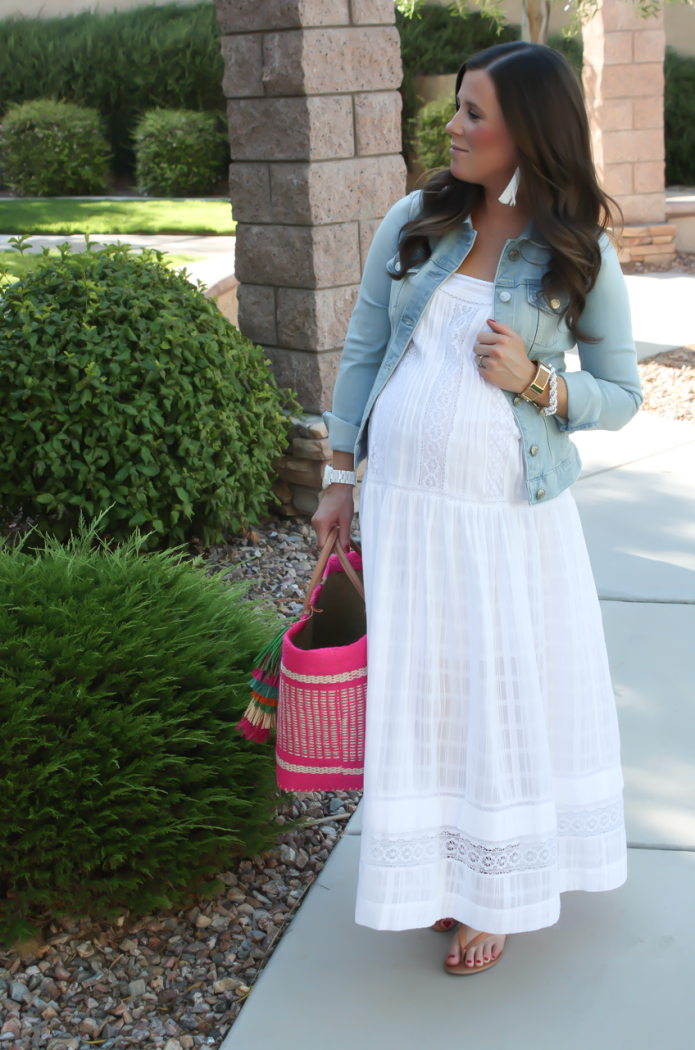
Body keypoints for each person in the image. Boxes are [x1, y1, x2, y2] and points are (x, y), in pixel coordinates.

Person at [312, 40, 642, 975]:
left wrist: (537, 379)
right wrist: (340, 476)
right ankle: (432, 877)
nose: (451, 127)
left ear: (527, 132)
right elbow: (365, 349)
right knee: (427, 690)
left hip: (508, 521)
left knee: (495, 687)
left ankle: (493, 888)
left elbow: (621, 393)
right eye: (456, 108)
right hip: (409, 511)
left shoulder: (576, 247)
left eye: (473, 113)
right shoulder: (415, 220)